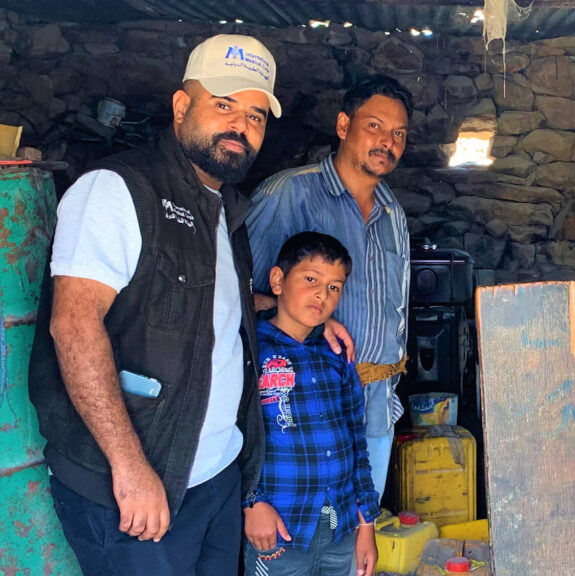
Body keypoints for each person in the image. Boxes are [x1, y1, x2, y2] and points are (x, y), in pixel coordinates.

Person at [28, 34, 281, 576]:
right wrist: (130, 468)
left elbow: (211, 312)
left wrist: (303, 318)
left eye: (255, 116)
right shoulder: (118, 190)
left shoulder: (224, 210)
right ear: (181, 106)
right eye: (224, 105)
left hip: (215, 476)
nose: (240, 125)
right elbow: (73, 325)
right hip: (140, 491)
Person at [246, 74, 413, 506]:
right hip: (299, 410)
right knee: (295, 543)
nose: (386, 142)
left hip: (374, 410)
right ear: (343, 126)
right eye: (374, 126)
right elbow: (233, 293)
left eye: (398, 134)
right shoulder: (288, 195)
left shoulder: (394, 213)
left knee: (356, 540)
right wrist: (317, 318)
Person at [243, 231, 379, 576]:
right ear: (277, 280)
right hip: (277, 527)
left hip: (340, 528)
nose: (322, 293)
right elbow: (231, 434)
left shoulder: (336, 355)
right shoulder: (250, 350)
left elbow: (356, 442)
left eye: (334, 287)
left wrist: (367, 525)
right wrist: (251, 502)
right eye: (310, 279)